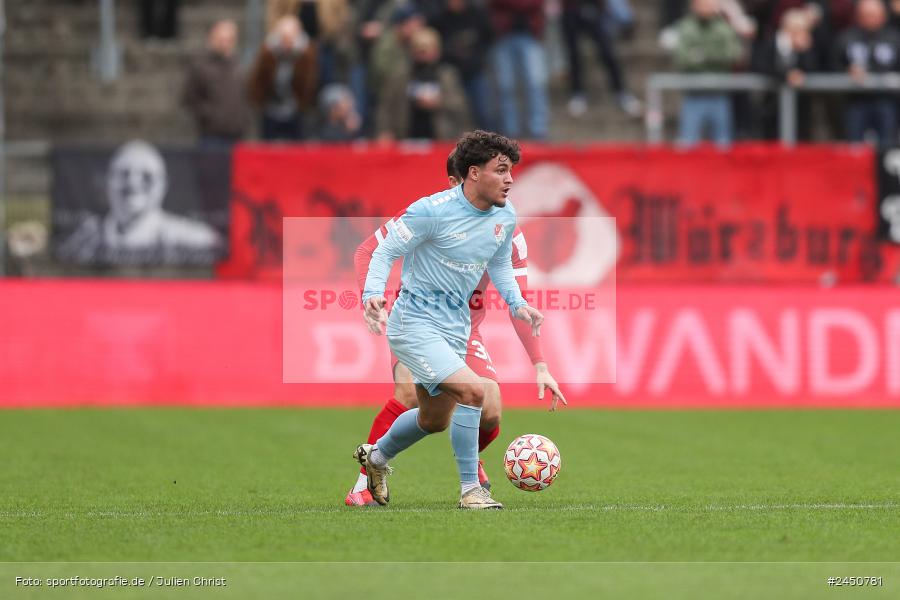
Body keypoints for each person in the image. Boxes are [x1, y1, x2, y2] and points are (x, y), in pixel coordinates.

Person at [345, 151, 566, 507]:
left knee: (444, 417)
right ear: (469, 177)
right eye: (502, 171)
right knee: (465, 392)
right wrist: (371, 296)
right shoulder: (429, 211)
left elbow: (505, 274)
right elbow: (373, 251)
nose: (510, 180)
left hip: (460, 329)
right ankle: (467, 490)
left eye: (511, 171)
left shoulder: (505, 221)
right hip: (415, 322)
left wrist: (525, 323)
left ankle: (377, 458)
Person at [57, 140, 223, 264]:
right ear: (108, 181)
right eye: (124, 174)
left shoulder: (197, 239)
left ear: (164, 184)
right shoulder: (80, 243)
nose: (133, 183)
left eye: (146, 176)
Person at [375, 27, 468, 140]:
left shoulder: (447, 76)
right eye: (418, 48)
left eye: (427, 49)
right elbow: (386, 106)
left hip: (440, 137)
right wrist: (384, 131)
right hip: (405, 137)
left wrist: (439, 102)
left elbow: (461, 107)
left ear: (437, 51)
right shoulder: (399, 76)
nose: (423, 53)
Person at [672, 0, 742, 147]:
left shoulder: (724, 28)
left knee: (723, 145)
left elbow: (734, 55)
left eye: (708, 5)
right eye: (701, 4)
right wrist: (717, 57)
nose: (705, 9)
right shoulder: (686, 27)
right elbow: (682, 58)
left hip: (719, 94)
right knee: (687, 143)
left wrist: (701, 56)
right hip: (693, 94)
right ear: (694, 6)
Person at [833, 0, 900, 146]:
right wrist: (847, 71)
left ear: (883, 15)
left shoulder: (895, 37)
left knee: (887, 146)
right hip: (856, 100)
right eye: (866, 15)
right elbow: (832, 65)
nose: (870, 19)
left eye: (873, 14)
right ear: (858, 16)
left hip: (887, 100)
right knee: (854, 147)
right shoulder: (847, 37)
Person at [560, 0, 642, 118]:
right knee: (573, 55)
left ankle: (621, 92)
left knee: (607, 51)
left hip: (591, 7)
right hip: (570, 9)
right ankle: (577, 93)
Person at [248, 15, 318, 141]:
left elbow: (309, 84)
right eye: (284, 38)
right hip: (270, 109)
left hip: (296, 110)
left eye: (290, 38)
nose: (287, 43)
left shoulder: (306, 55)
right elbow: (258, 80)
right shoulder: (267, 52)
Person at [181, 19, 250, 147]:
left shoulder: (239, 66)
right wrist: (209, 116)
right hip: (212, 134)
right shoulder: (201, 66)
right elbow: (190, 98)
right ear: (212, 39)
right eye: (221, 39)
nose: (225, 44)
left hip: (237, 133)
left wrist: (242, 120)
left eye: (229, 40)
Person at [489, 0, 550, 139]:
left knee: (536, 84)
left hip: (530, 33)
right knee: (505, 86)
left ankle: (538, 131)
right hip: (503, 34)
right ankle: (510, 132)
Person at [430, 0, 495, 130]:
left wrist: (477, 58)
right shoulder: (439, 18)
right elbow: (436, 45)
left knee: (483, 111)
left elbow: (488, 39)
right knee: (455, 112)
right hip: (450, 74)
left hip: (475, 70)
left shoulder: (477, 14)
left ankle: (488, 139)